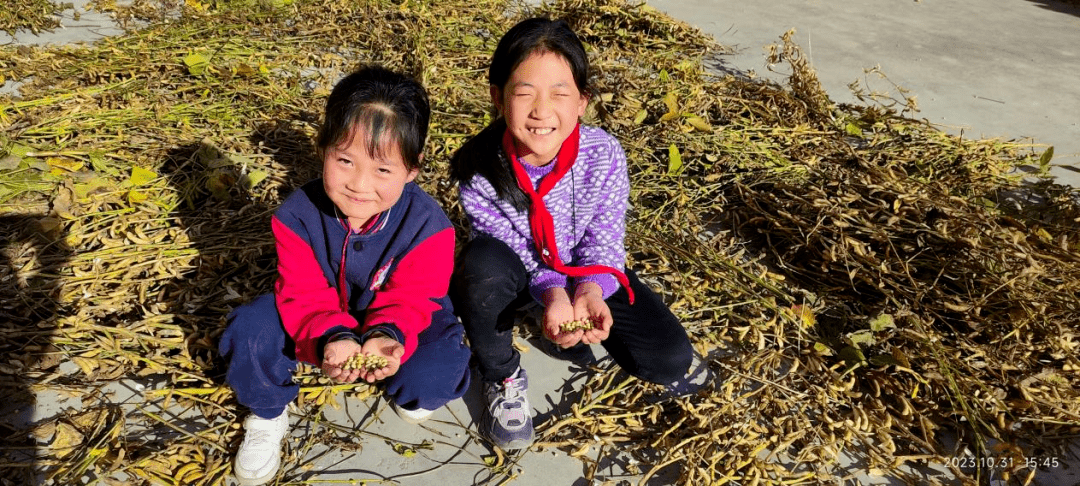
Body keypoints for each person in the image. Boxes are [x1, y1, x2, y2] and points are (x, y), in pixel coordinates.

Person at [448, 18, 711, 451]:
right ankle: (501, 373)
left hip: (588, 270)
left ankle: (556, 309)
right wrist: (551, 292)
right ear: (498, 97)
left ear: (582, 102)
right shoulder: (479, 169)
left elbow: (606, 236)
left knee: (668, 359)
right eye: (524, 92)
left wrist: (589, 288)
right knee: (481, 268)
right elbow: (508, 243)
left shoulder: (603, 154)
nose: (541, 110)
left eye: (560, 93)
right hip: (521, 275)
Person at [219, 65, 471, 485]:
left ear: (413, 168)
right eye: (345, 160)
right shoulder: (295, 215)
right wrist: (331, 336)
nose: (359, 184)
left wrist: (389, 334)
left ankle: (401, 370)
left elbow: (415, 297)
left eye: (383, 170)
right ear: (323, 150)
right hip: (313, 312)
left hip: (398, 317)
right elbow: (301, 289)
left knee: (437, 373)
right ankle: (267, 413)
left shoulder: (431, 227)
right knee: (250, 330)